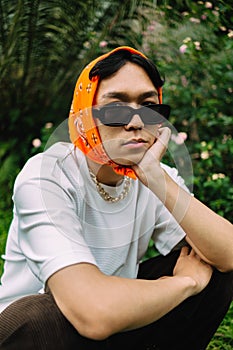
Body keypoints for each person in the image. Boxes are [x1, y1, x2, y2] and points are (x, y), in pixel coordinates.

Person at [0, 46, 233, 350]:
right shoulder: (46, 176)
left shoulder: (155, 177)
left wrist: (156, 178)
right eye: (115, 110)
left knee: (214, 263)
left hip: (117, 319)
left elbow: (228, 252)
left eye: (149, 108)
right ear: (83, 119)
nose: (135, 123)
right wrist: (183, 284)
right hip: (41, 334)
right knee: (41, 312)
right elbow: (92, 314)